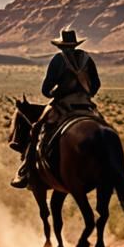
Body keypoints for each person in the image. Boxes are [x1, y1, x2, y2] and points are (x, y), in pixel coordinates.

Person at [11, 28, 101, 189]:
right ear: (75, 45)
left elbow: (46, 90)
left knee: (36, 129)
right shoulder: (87, 59)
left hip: (62, 104)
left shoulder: (59, 60)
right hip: (86, 104)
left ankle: (25, 171)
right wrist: (87, 94)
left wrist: (54, 92)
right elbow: (96, 84)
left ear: (61, 46)